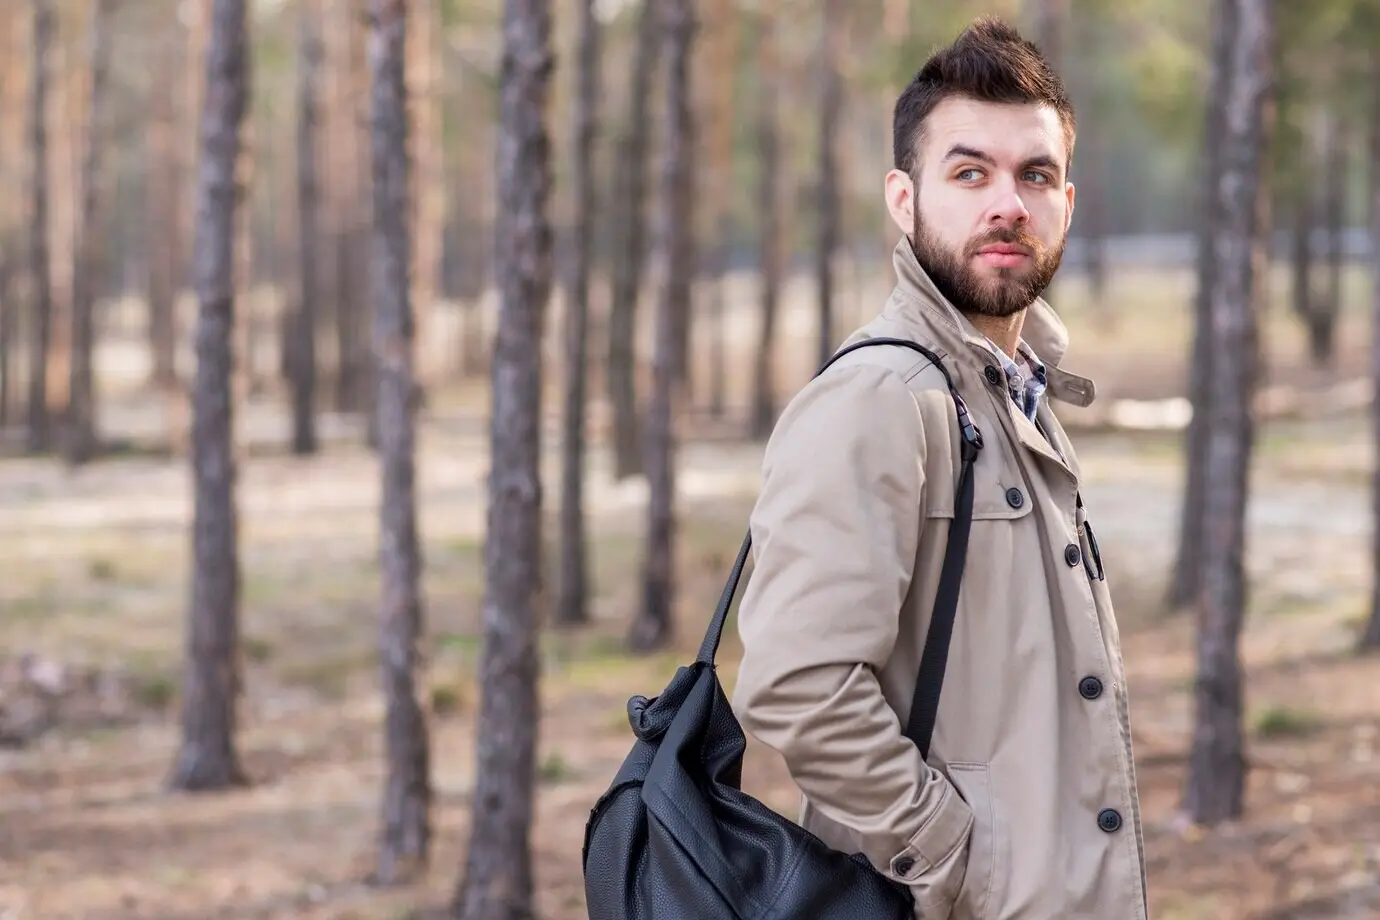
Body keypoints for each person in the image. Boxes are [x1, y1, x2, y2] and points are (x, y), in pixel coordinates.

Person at [730, 17, 1149, 920]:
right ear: (903, 196)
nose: (1008, 204)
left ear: (1066, 205)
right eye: (969, 173)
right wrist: (957, 856)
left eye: (1034, 175)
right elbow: (797, 687)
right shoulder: (880, 398)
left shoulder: (1012, 390)